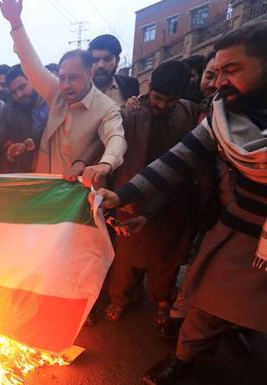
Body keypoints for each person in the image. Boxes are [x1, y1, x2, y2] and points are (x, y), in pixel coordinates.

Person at [95, 20, 267, 385]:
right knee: (206, 303)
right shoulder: (221, 115)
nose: (219, 82)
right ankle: (183, 358)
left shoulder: (193, 112)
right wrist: (123, 195)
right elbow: (177, 160)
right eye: (217, 72)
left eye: (232, 70)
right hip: (239, 233)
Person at [104, 61, 201, 329]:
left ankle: (162, 300)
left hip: (172, 196)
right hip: (130, 193)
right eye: (158, 98)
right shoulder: (130, 111)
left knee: (164, 258)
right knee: (125, 258)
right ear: (149, 88)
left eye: (170, 101)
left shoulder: (190, 113)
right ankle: (121, 298)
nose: (162, 105)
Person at [0, 0, 126, 187]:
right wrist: (16, 24)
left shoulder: (106, 107)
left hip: (78, 190)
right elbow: (32, 66)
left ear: (90, 73)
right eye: (62, 77)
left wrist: (106, 163)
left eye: (73, 78)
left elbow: (116, 137)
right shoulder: (56, 91)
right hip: (46, 184)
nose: (66, 85)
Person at [0, 64, 46, 172]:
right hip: (23, 174)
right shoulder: (10, 109)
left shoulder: (52, 103)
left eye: (22, 87)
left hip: (54, 170)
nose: (19, 95)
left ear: (33, 80)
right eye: (14, 92)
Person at [88, 34, 139, 105]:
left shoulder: (130, 85)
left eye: (107, 59)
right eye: (95, 60)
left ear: (117, 61)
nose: (100, 65)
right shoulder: (79, 88)